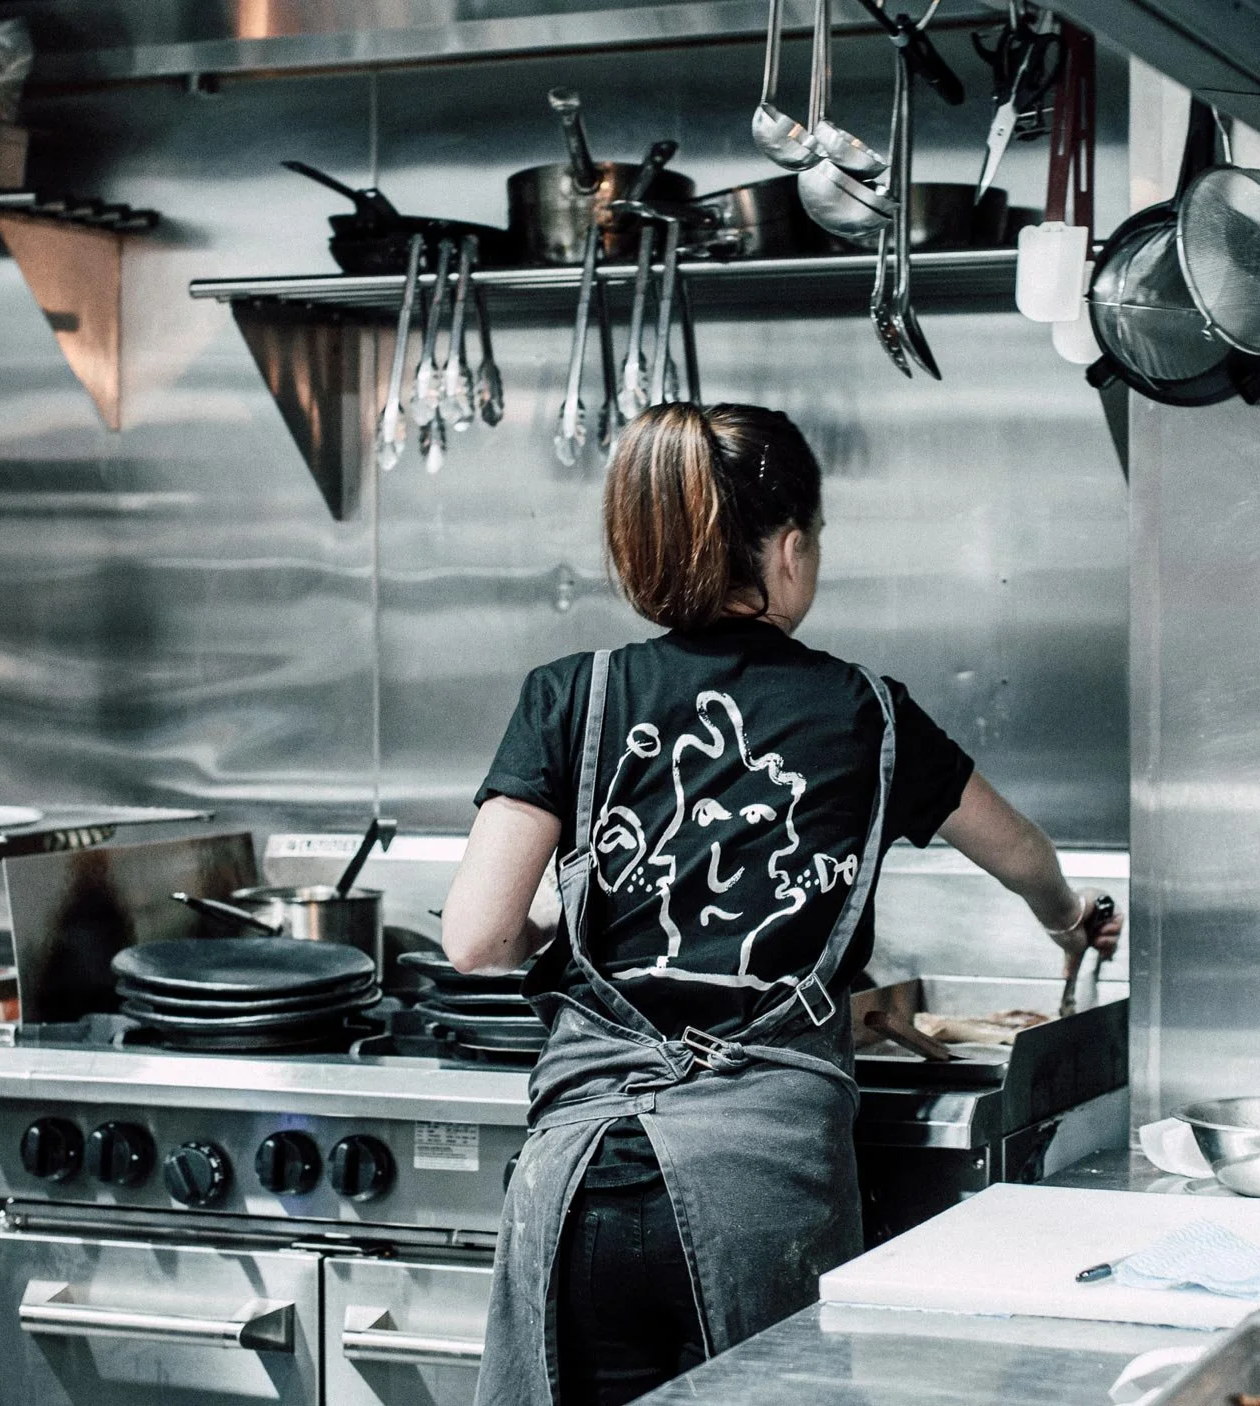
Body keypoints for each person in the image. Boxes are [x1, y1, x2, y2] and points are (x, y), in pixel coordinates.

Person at [443, 402, 1121, 1406]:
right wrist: (1066, 917)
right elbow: (1019, 850)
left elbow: (476, 937)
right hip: (757, 1191)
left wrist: (563, 921)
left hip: (579, 1185)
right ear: (791, 548)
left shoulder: (570, 696)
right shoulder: (867, 712)